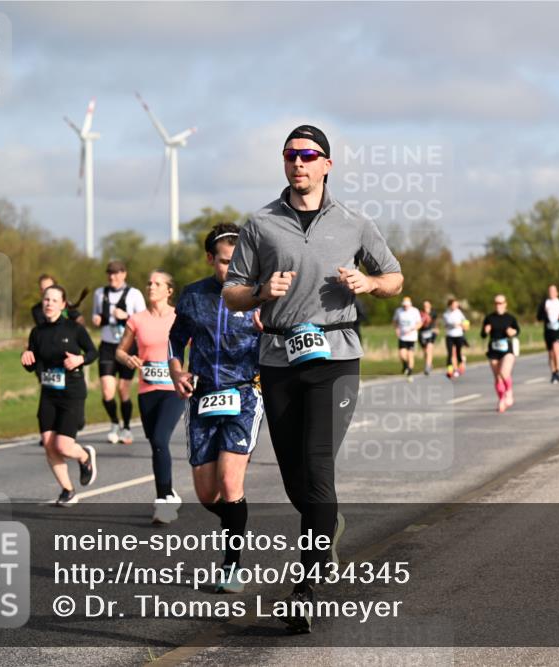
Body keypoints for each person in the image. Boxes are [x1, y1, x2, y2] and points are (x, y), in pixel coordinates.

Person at [221, 124, 403, 632]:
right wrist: (260, 292)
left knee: (318, 462)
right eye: (290, 155)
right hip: (278, 357)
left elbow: (394, 277)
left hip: (336, 354)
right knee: (296, 476)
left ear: (327, 164)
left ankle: (306, 587)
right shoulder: (260, 224)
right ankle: (328, 525)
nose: (298, 163)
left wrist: (368, 283)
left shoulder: (355, 223)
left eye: (308, 155)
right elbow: (232, 291)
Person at [169, 223, 263, 592]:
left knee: (229, 481)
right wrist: (178, 372)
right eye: (225, 262)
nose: (232, 268)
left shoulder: (260, 294)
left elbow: (283, 339)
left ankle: (232, 564)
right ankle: (235, 522)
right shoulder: (193, 296)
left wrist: (267, 330)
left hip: (244, 395)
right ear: (210, 259)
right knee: (208, 495)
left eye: (238, 261)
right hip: (203, 396)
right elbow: (176, 342)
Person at [116, 270, 185, 525]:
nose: (151, 286)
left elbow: (197, 346)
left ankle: (164, 501)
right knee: (156, 445)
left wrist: (190, 374)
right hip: (147, 390)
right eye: (149, 283)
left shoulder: (180, 317)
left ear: (169, 290)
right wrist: (128, 358)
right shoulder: (137, 319)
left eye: (157, 283)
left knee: (159, 439)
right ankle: (170, 493)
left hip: (172, 390)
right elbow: (120, 351)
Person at [21, 284, 98, 506]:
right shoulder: (37, 332)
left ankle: (84, 456)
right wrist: (26, 359)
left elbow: (93, 352)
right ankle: (67, 490)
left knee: (63, 446)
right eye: (46, 300)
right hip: (48, 393)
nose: (49, 304)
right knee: (48, 443)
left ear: (63, 305)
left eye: (54, 300)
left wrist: (79, 360)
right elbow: (33, 363)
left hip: (72, 393)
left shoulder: (74, 329)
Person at [93, 260, 147, 444]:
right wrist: (97, 318)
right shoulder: (100, 293)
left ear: (124, 274)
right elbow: (97, 315)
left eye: (116, 273)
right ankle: (114, 423)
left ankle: (126, 427)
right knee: (108, 391)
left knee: (123, 390)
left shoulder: (134, 294)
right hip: (108, 346)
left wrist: (127, 317)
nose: (112, 277)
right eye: (109, 273)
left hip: (128, 347)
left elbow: (144, 320)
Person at [483, 294, 520, 412]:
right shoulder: (489, 318)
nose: (498, 305)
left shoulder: (510, 318)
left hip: (506, 349)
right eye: (496, 303)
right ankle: (501, 399)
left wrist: (512, 332)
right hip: (493, 349)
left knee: (504, 373)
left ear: (505, 304)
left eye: (500, 303)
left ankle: (509, 392)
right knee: (497, 378)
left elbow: (517, 330)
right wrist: (486, 331)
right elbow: (482, 334)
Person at [537, 285, 559, 384]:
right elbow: (538, 316)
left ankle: (557, 371)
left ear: (557, 293)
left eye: (553, 291)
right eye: (550, 291)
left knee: (557, 350)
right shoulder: (545, 303)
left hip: (558, 330)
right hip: (548, 330)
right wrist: (544, 314)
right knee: (551, 353)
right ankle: (553, 372)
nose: (551, 293)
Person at [392, 296, 422, 381]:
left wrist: (413, 329)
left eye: (406, 305)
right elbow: (395, 321)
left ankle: (410, 372)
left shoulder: (415, 311)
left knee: (410, 355)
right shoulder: (398, 311)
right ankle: (405, 365)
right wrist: (397, 329)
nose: (405, 307)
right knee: (402, 354)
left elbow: (419, 323)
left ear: (410, 304)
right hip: (402, 336)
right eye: (404, 305)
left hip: (412, 337)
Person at [442, 298, 469, 379]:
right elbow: (448, 323)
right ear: (450, 305)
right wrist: (456, 324)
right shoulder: (446, 314)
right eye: (454, 305)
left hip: (459, 335)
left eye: (456, 305)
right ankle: (450, 370)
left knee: (458, 353)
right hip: (450, 336)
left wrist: (465, 326)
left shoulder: (459, 312)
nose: (455, 306)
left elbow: (465, 321)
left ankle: (460, 365)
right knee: (450, 354)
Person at [418, 299, 438, 376]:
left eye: (427, 305)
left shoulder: (433, 313)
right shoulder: (420, 313)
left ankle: (427, 367)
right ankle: (429, 363)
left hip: (431, 332)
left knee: (429, 348)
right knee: (425, 351)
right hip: (422, 333)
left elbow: (435, 322)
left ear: (430, 306)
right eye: (424, 305)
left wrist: (436, 328)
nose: (425, 306)